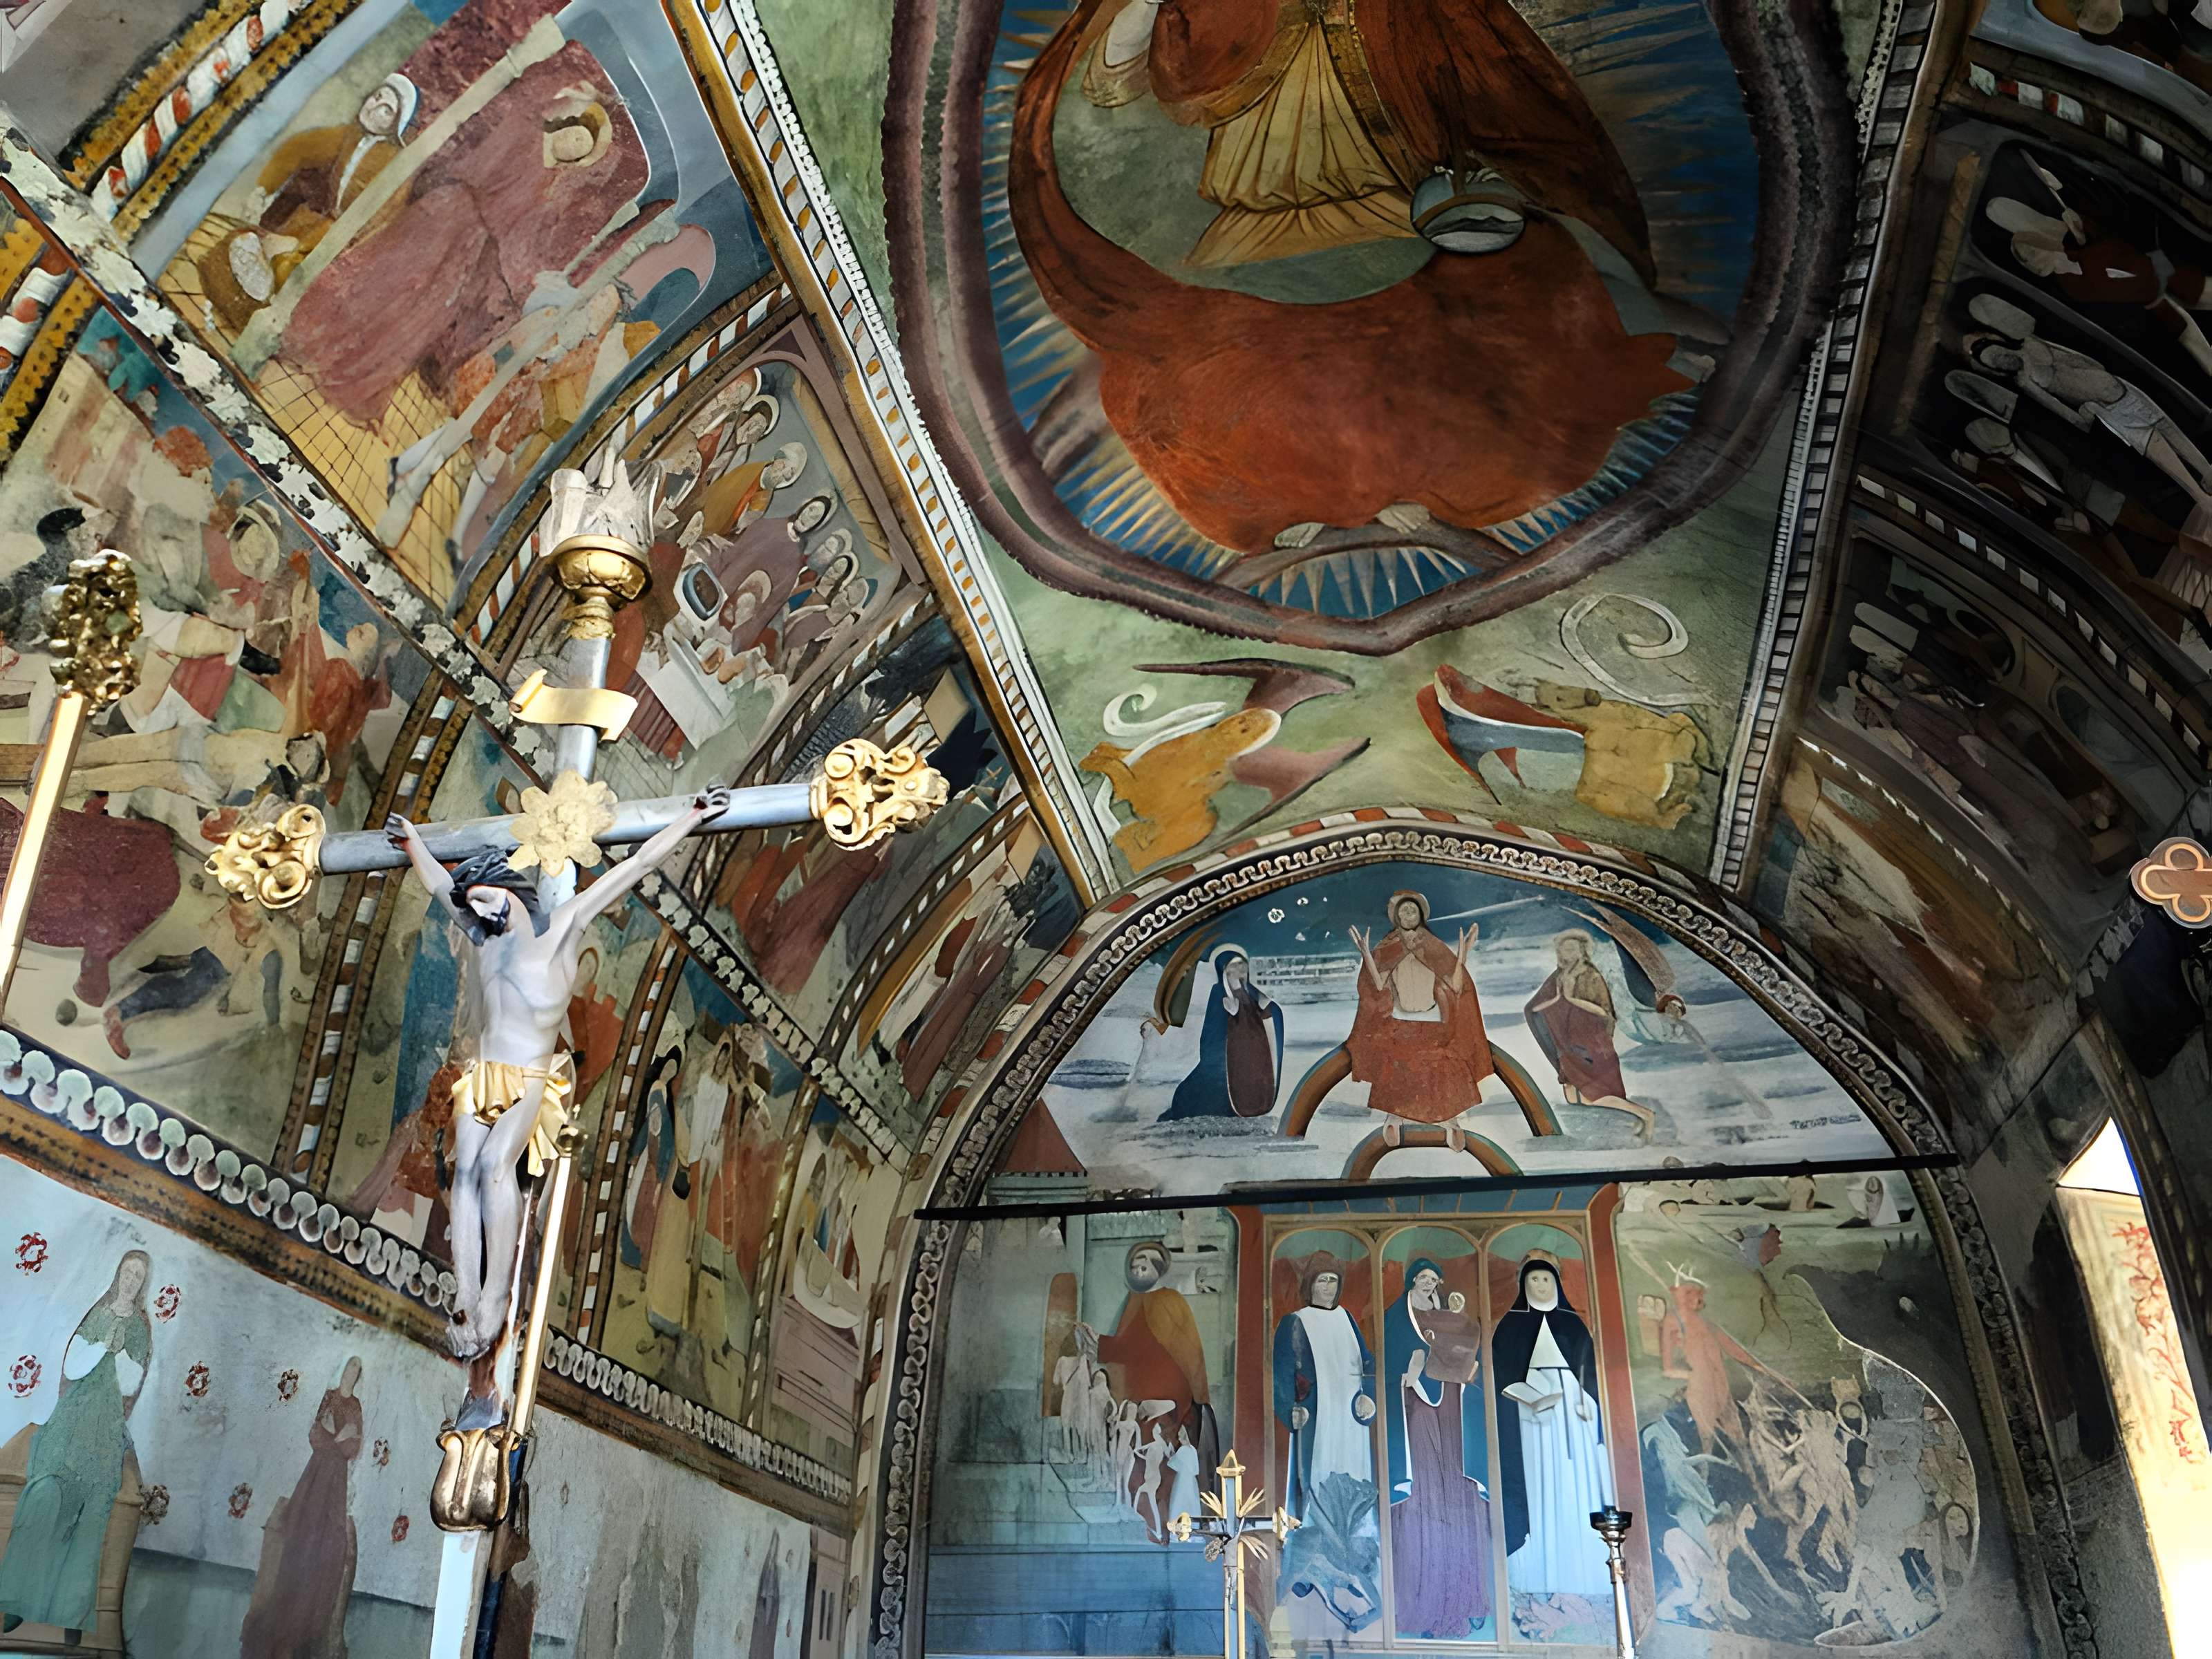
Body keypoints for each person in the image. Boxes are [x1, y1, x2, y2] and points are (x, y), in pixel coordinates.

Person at [384, 786, 731, 1367]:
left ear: (509, 889)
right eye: (476, 906)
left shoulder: (562, 930)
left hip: (529, 1077)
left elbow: (637, 868)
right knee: (463, 1174)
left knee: (496, 1169)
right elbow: (442, 888)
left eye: (487, 900)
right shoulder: (485, 941)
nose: (481, 914)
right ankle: (465, 1294)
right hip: (485, 1073)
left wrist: (691, 818)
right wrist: (414, 843)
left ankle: (496, 1295)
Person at [0, 1251, 153, 1637]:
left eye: (138, 1276)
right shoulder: (98, 1313)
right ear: (118, 1274)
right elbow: (71, 1366)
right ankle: (16, 1602)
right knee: (43, 1499)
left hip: (105, 1430)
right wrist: (103, 1345)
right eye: (128, 1272)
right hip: (72, 1420)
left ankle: (70, 1615)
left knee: (91, 1522)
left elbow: (132, 1383)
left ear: (142, 1284)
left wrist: (121, 1353)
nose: (131, 1280)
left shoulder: (139, 1327)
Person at [1383, 1259, 1493, 1637]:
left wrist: (1467, 1366)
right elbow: (1388, 1362)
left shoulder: (1449, 1315)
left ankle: (1466, 1597)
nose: (1429, 1283)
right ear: (1413, 1280)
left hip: (1452, 1404)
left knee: (1457, 1494)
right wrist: (1411, 1366)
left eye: (1434, 1279)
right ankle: (1425, 1603)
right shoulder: (1397, 1318)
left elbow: (1467, 1351)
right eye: (1424, 1278)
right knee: (1425, 1493)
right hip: (1417, 1407)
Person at [1492, 1259, 1614, 1597]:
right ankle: (1542, 1569)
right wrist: (1527, 1398)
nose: (1541, 1285)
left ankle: (1583, 1566)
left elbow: (1589, 1372)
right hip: (1531, 1418)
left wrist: (1588, 1402)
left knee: (1575, 1483)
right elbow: (1501, 1375)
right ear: (1524, 1285)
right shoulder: (1511, 1325)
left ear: (1557, 1284)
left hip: (1572, 1416)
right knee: (1540, 1481)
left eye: (1546, 1279)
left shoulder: (1573, 1324)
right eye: (1534, 1279)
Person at [240, 1356, 364, 1656]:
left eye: (356, 1370)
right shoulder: (330, 1397)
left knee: (328, 1539)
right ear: (343, 1371)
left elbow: (354, 1447)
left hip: (337, 1479)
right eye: (349, 1367)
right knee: (300, 1530)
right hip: (316, 1472)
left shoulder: (355, 1406)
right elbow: (315, 1436)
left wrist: (340, 1439)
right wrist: (338, 1438)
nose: (351, 1373)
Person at [1346, 891, 1494, 1126]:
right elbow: (1378, 985)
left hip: (1432, 1020)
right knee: (1397, 1064)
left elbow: (1455, 985)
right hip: (1400, 1020)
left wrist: (1463, 954)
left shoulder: (1432, 946)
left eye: (1412, 910)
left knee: (1443, 1064)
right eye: (1403, 910)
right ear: (1396, 916)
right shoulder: (1388, 946)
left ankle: (1449, 1119)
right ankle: (1395, 1116)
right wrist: (1366, 953)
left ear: (1421, 916)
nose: (1408, 913)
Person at [1082, 1243, 1219, 1493]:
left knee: (1160, 1477)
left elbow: (1181, 1356)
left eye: (1148, 1261)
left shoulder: (1169, 1300)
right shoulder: (1134, 1301)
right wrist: (1098, 1344)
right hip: (1137, 1399)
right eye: (1137, 1260)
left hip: (1167, 1404)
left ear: (1160, 1269)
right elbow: (1129, 1350)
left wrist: (1175, 1404)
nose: (1140, 1265)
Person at [1272, 1255, 1377, 1517]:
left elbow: (1367, 1363)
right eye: (1322, 1281)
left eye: (1333, 1281)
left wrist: (1369, 1397)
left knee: (1353, 1472)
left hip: (1350, 1414)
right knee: (1318, 1473)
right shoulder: (1295, 1321)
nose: (1329, 1287)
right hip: (1317, 1414)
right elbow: (1282, 1374)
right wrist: (1290, 1410)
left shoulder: (1347, 1318)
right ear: (1311, 1285)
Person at [1522, 930, 1655, 1136]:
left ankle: (1645, 1115)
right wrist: (1548, 1004)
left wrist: (1571, 998)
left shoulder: (1591, 976)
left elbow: (1604, 1012)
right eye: (1563, 950)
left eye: (1571, 949)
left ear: (1582, 951)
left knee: (1594, 1096)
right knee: (1572, 1096)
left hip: (1590, 1045)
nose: (1566, 954)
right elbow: (1538, 1006)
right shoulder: (1558, 977)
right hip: (1568, 1044)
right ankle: (1637, 1116)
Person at [1161, 947, 1284, 1121]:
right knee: (1193, 1092)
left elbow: (1265, 1014)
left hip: (1250, 1055)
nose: (1239, 972)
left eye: (1242, 966)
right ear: (1225, 972)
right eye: (1234, 968)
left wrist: (1264, 1012)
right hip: (1226, 1057)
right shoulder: (1219, 992)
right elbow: (1212, 1029)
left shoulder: (1251, 992)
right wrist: (1232, 1018)